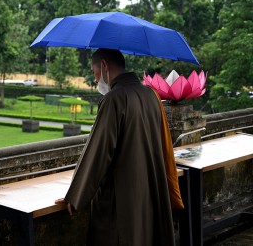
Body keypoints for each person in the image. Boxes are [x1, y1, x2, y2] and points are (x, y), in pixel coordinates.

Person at [56, 48, 184, 246]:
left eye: (94, 71)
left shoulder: (113, 99)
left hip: (123, 195)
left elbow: (98, 152)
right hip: (150, 187)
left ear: (105, 65)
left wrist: (75, 195)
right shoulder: (151, 94)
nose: (95, 78)